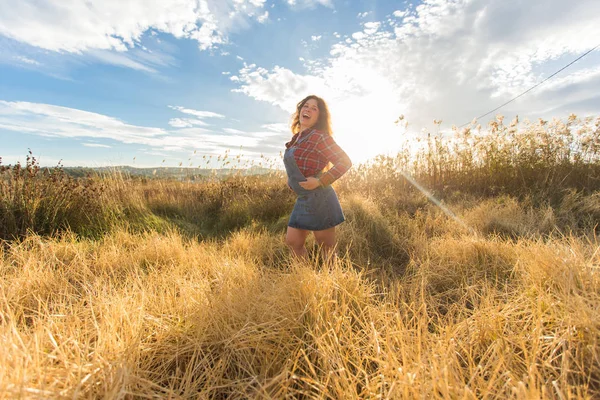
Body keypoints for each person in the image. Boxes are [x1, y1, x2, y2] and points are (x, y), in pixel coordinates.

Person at [283, 95, 352, 262]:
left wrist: (320, 181)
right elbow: (297, 165)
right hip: (304, 198)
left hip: (320, 198)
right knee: (293, 241)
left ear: (319, 116)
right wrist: (291, 180)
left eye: (314, 108)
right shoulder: (295, 140)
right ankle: (305, 281)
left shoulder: (319, 137)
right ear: (300, 111)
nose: (308, 109)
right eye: (306, 106)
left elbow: (345, 162)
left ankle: (332, 284)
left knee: (326, 246)